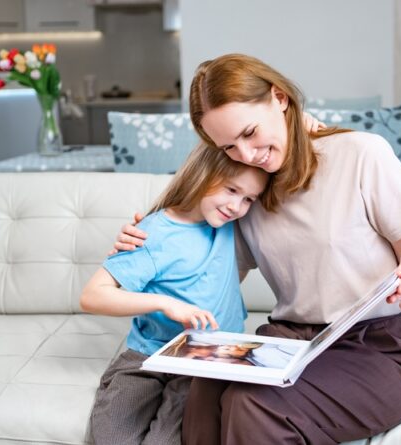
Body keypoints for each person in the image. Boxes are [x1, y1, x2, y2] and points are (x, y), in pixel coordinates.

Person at [113, 53, 401, 445]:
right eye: (229, 147)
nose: (247, 154)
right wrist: (150, 240)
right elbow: (202, 268)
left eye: (250, 132)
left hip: (383, 346)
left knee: (253, 404)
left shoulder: (362, 154)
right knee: (207, 387)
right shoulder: (246, 192)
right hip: (292, 342)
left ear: (280, 98)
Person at [79, 142, 268, 445]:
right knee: (110, 437)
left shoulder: (236, 224)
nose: (237, 206)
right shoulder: (152, 233)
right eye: (231, 190)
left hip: (208, 359)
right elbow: (92, 296)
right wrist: (167, 304)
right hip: (147, 356)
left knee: (166, 439)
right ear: (202, 175)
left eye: (248, 198)